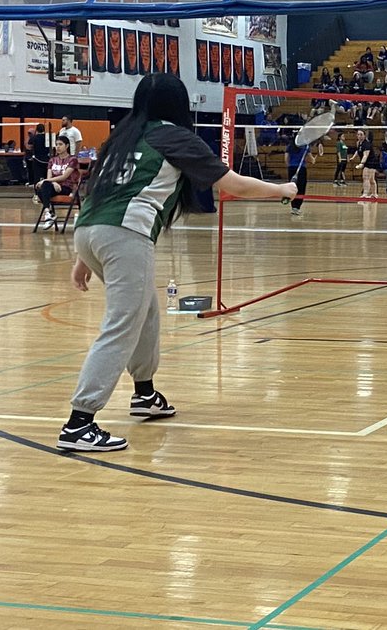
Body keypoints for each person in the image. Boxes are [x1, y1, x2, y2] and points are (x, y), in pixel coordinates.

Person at [58, 74, 296, 452]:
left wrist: (83, 258)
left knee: (146, 312)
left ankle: (145, 394)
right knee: (121, 325)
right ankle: (79, 422)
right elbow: (232, 183)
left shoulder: (121, 137)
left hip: (89, 230)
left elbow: (99, 193)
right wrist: (282, 190)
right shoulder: (174, 136)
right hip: (125, 235)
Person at [35, 134, 80, 229]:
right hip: (53, 187)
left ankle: (48, 214)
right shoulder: (52, 160)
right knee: (41, 187)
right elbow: (49, 177)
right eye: (56, 144)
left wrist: (47, 181)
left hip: (66, 188)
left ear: (67, 146)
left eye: (60, 144)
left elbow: (64, 177)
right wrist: (53, 183)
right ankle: (48, 213)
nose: (58, 147)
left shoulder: (73, 160)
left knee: (43, 186)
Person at [286, 130, 316, 216]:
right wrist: (313, 160)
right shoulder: (305, 147)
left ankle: (293, 207)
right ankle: (297, 208)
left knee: (292, 188)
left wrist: (290, 166)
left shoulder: (289, 146)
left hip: (291, 169)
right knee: (301, 188)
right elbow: (311, 160)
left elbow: (286, 159)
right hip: (301, 169)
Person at [354, 129, 379, 199]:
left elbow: (365, 155)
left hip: (371, 162)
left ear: (364, 136)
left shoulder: (367, 144)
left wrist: (362, 163)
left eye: (361, 134)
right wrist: (353, 157)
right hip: (367, 162)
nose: (359, 136)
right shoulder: (358, 143)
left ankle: (365, 193)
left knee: (366, 178)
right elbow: (358, 151)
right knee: (371, 179)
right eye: (358, 134)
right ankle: (374, 194)